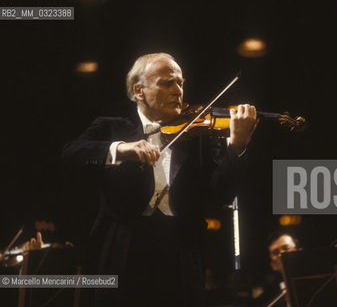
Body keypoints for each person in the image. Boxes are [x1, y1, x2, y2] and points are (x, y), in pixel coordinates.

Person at [62, 52, 258, 306]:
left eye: (181, 83)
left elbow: (219, 195)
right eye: (167, 83)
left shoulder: (199, 136)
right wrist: (120, 149)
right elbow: (71, 153)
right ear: (139, 90)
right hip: (124, 245)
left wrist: (237, 147)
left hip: (181, 248)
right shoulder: (112, 127)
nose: (178, 91)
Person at [260, 232, 299, 307]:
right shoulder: (267, 301)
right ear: (273, 265)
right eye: (275, 252)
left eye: (286, 248)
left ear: (300, 251)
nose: (281, 254)